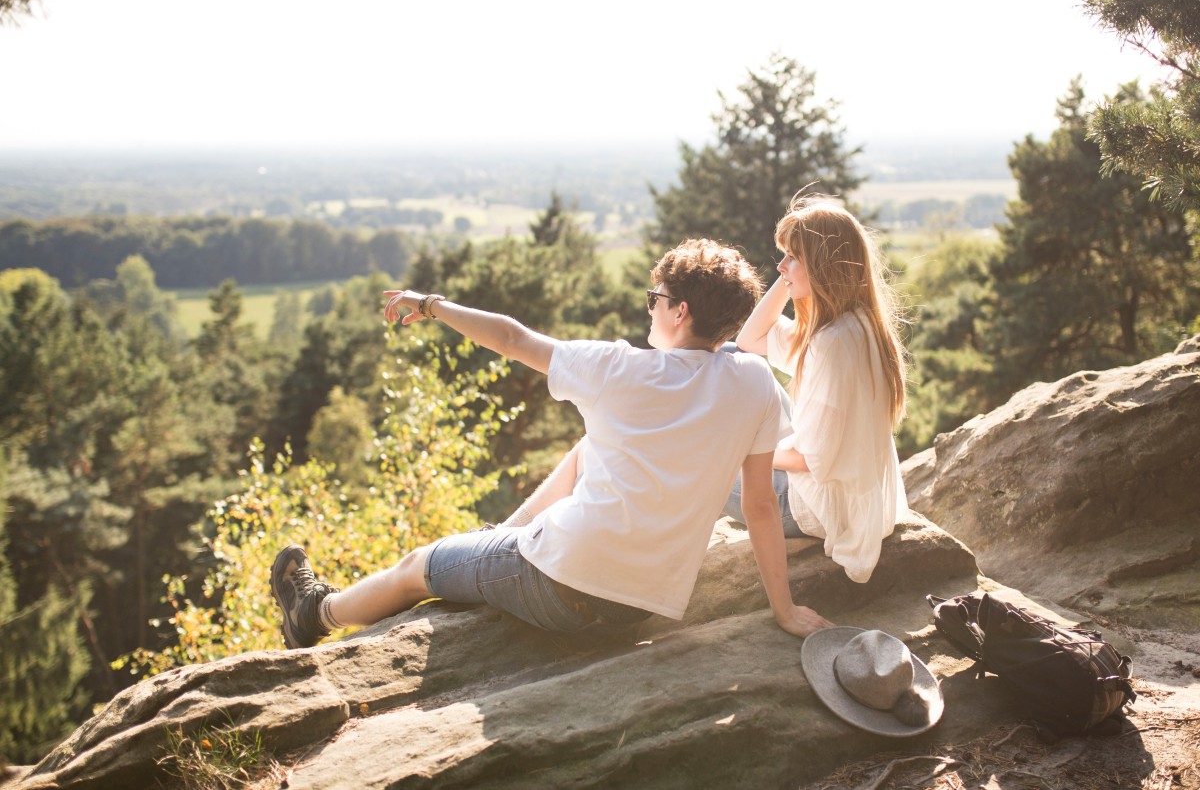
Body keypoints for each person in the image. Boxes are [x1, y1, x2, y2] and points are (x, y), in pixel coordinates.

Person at [269, 239, 835, 650]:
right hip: (639, 607)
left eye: (654, 296)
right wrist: (782, 611)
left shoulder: (617, 367)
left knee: (419, 564)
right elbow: (760, 505)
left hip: (559, 583)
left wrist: (431, 305)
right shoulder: (754, 383)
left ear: (679, 310)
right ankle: (498, 539)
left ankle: (313, 613)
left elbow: (513, 338)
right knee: (589, 448)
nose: (650, 306)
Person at [721, 194, 908, 583]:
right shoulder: (854, 323)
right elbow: (748, 341)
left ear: (823, 266)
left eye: (791, 258)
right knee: (727, 356)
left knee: (700, 458)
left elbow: (810, 459)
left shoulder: (831, 344)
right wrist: (791, 279)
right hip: (851, 492)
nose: (780, 266)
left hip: (818, 506)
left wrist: (736, 449)